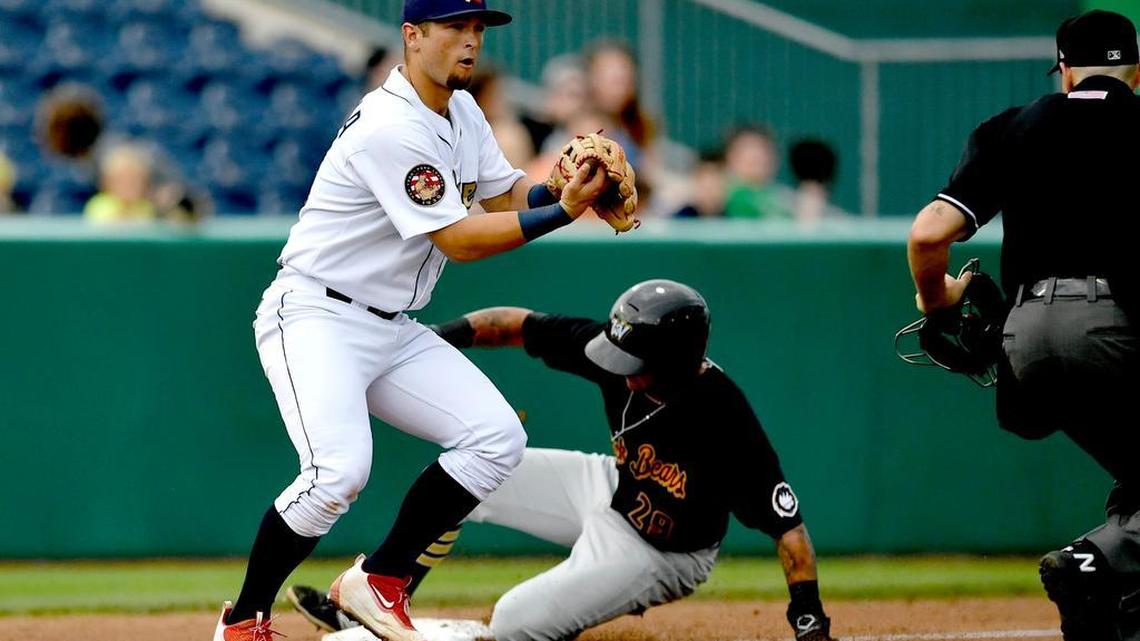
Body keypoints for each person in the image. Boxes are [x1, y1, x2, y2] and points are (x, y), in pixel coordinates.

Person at [212, 0, 624, 639]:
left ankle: (380, 578)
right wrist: (562, 214)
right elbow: (459, 239)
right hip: (317, 314)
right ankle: (243, 621)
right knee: (337, 473)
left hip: (390, 324)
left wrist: (569, 190)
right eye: (455, 26)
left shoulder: (461, 112)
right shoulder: (389, 125)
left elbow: (508, 196)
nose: (471, 40)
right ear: (413, 35)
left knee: (496, 438)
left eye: (478, 28)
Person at [287, 279, 837, 641]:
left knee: (514, 623)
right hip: (608, 487)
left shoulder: (724, 417)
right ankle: (382, 598)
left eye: (636, 359)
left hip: (664, 553)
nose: (620, 366)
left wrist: (808, 620)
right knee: (472, 472)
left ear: (677, 359)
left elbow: (789, 532)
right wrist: (437, 340)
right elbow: (513, 322)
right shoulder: (618, 353)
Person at [906, 10, 1140, 641]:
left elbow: (929, 233)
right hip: (1119, 331)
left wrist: (936, 305)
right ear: (1136, 72)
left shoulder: (1014, 126)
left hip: (1027, 336)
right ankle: (1098, 563)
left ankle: (1121, 605)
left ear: (1064, 71)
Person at [723, 125, 793, 220]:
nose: (757, 155)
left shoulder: (785, 197)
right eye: (747, 149)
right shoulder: (716, 195)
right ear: (730, 157)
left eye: (763, 150)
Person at [83, 143, 157, 224]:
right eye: (122, 181)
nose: (128, 186)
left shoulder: (146, 207)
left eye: (134, 181)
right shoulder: (98, 205)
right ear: (107, 182)